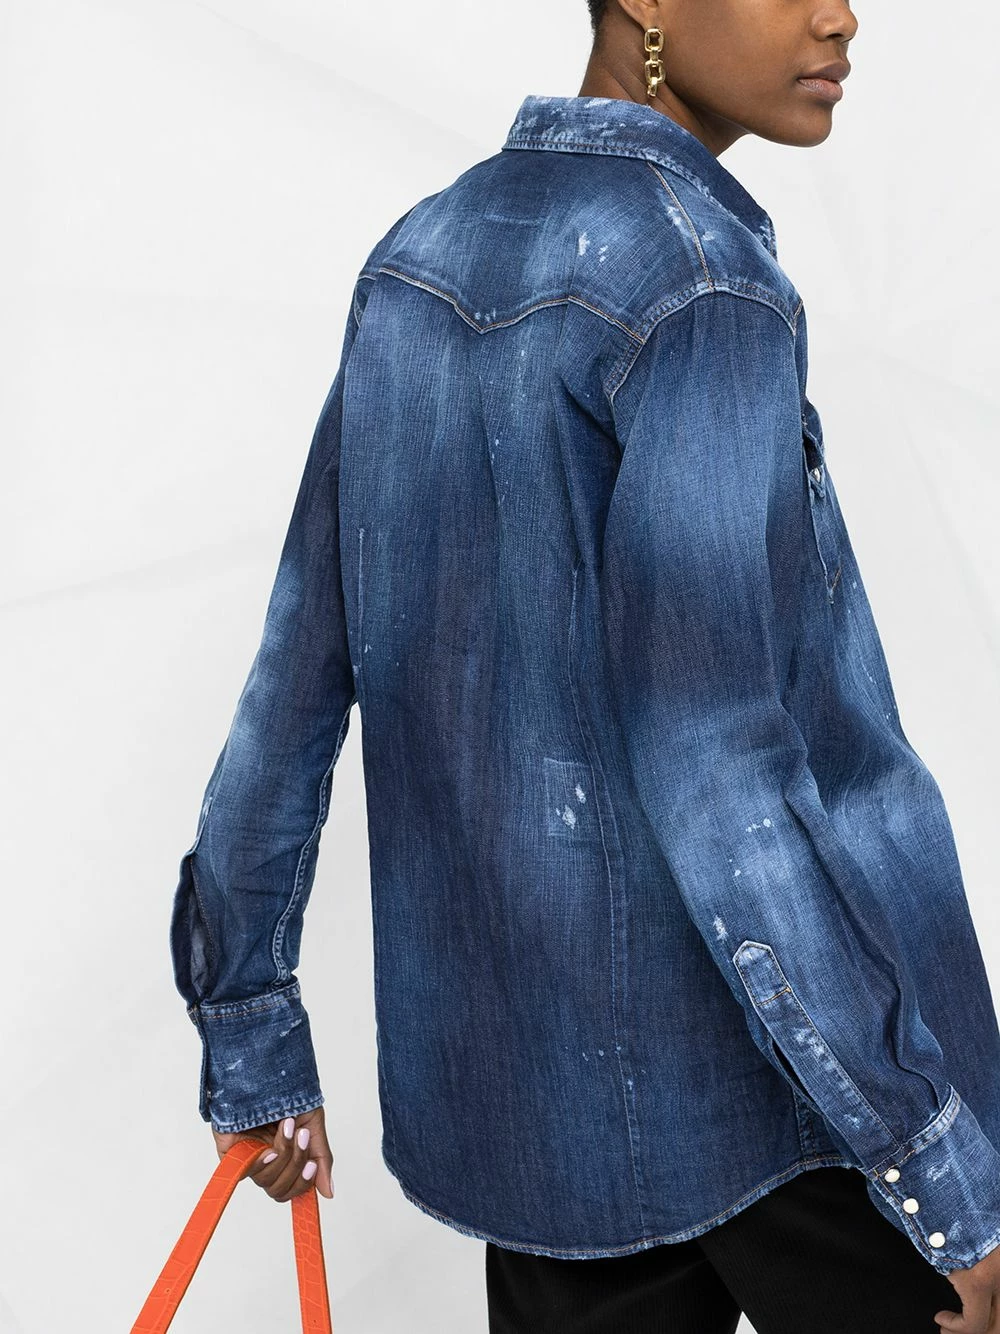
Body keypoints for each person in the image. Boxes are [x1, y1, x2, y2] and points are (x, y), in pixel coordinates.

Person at [168, 1, 1000, 1330]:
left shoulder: (418, 259)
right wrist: (938, 1166)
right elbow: (720, 764)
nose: (840, 14)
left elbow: (295, 677)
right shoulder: (705, 285)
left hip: (538, 1107)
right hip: (803, 1098)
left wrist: (251, 1024)